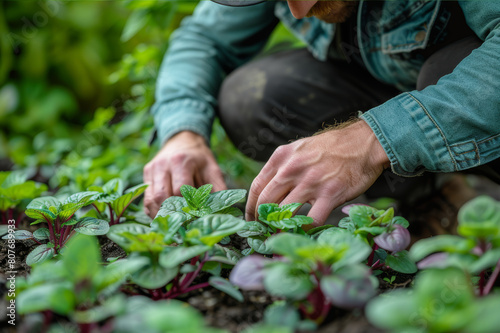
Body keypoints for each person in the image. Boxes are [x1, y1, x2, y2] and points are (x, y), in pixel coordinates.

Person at [143, 0, 500, 227]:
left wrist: (374, 137)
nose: (296, 10)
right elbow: (205, 37)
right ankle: (430, 200)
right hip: (394, 85)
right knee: (251, 93)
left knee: (443, 71)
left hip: (473, 89)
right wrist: (181, 133)